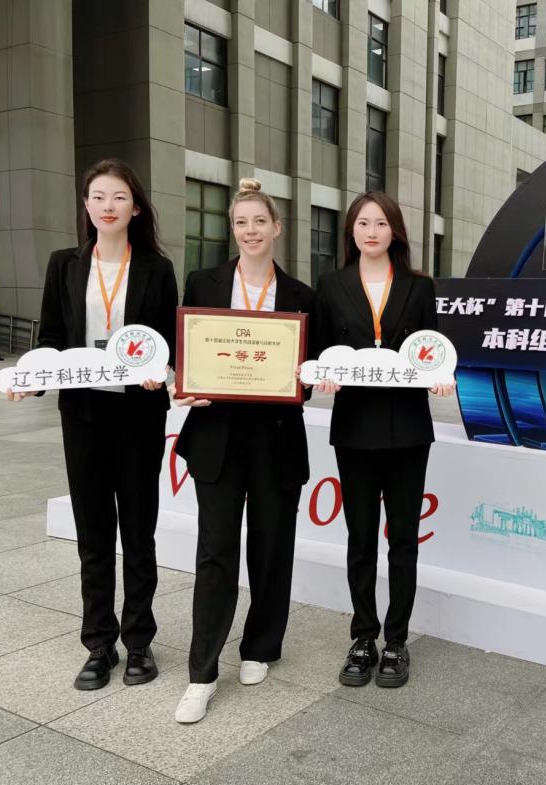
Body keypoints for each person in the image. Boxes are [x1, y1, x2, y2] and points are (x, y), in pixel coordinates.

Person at [8, 158, 178, 690]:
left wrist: (160, 371)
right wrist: (31, 379)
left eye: (119, 197)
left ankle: (140, 642)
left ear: (136, 208)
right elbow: (51, 338)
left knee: (139, 531)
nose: (108, 206)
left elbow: (166, 344)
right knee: (93, 532)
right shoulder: (64, 264)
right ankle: (99, 644)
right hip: (83, 416)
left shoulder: (156, 268)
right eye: (99, 197)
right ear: (85, 205)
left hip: (137, 415)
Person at [172, 178, 315, 724]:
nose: (250, 231)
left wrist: (308, 377)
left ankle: (260, 647)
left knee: (272, 549)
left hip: (277, 436)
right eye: (240, 223)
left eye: (259, 221)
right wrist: (185, 384)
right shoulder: (203, 282)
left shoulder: (302, 295)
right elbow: (187, 353)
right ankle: (202, 674)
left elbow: (308, 377)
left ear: (277, 227)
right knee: (215, 554)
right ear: (232, 229)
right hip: (218, 435)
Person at [312, 192, 455, 689]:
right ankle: (363, 637)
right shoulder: (331, 285)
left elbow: (432, 349)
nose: (371, 232)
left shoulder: (419, 286)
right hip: (354, 428)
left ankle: (396, 640)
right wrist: (323, 376)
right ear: (350, 231)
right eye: (362, 223)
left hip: (408, 428)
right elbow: (319, 351)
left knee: (403, 540)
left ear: (395, 231)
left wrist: (439, 377)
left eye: (380, 223)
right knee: (360, 539)